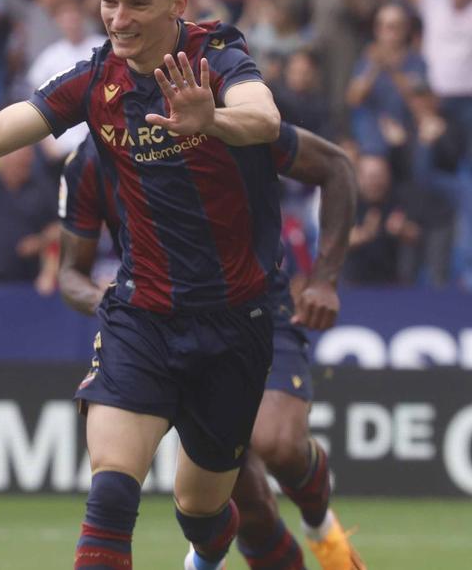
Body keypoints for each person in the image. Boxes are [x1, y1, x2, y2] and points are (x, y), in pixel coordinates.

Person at [0, 0, 288, 569]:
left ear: (178, 4)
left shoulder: (218, 56)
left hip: (234, 324)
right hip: (141, 315)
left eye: (138, 3)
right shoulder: (97, 79)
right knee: (111, 490)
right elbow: (24, 119)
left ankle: (211, 544)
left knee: (200, 508)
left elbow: (264, 118)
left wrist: (214, 119)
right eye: (109, 0)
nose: (118, 18)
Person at [57, 124, 364, 570]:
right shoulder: (89, 160)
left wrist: (325, 279)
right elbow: (71, 271)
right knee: (250, 507)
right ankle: (208, 557)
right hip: (151, 324)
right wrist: (111, 300)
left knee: (278, 443)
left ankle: (321, 526)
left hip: (251, 308)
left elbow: (335, 164)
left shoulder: (222, 117)